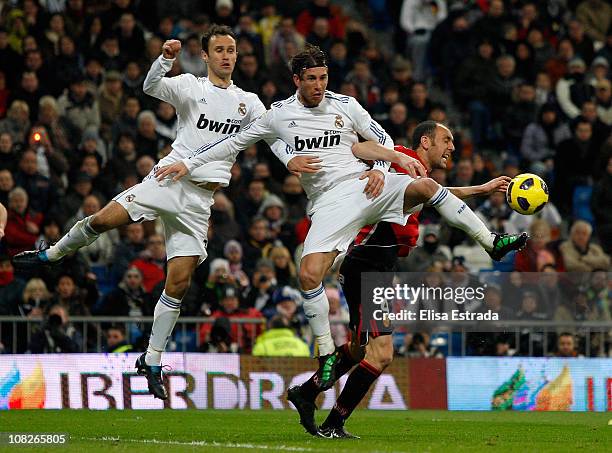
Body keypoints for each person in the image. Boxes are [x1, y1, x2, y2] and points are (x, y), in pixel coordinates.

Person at [156, 46, 527, 391]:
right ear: (297, 80)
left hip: (366, 185)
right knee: (308, 274)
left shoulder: (346, 105)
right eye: (312, 79)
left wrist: (383, 165)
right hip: (331, 203)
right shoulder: (279, 115)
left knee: (426, 186)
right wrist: (186, 162)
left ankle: (491, 242)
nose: (319, 85)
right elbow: (231, 144)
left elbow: (376, 137)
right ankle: (325, 352)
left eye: (323, 77)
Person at [11, 25, 290, 401]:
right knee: (102, 221)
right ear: (205, 55)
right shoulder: (192, 86)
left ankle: (152, 358)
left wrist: (292, 158)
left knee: (178, 282)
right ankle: (52, 254)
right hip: (167, 180)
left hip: (199, 201)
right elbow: (151, 86)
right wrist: (166, 59)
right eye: (220, 50)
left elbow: (271, 137)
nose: (227, 56)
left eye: (232, 50)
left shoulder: (250, 102)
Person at [287, 125, 519, 438]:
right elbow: (409, 185)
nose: (452, 147)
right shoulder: (399, 159)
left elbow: (435, 194)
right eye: (446, 140)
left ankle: (307, 392)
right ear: (426, 141)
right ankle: (333, 423)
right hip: (368, 261)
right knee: (381, 354)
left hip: (379, 265)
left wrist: (479, 189)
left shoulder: (418, 174)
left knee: (358, 350)